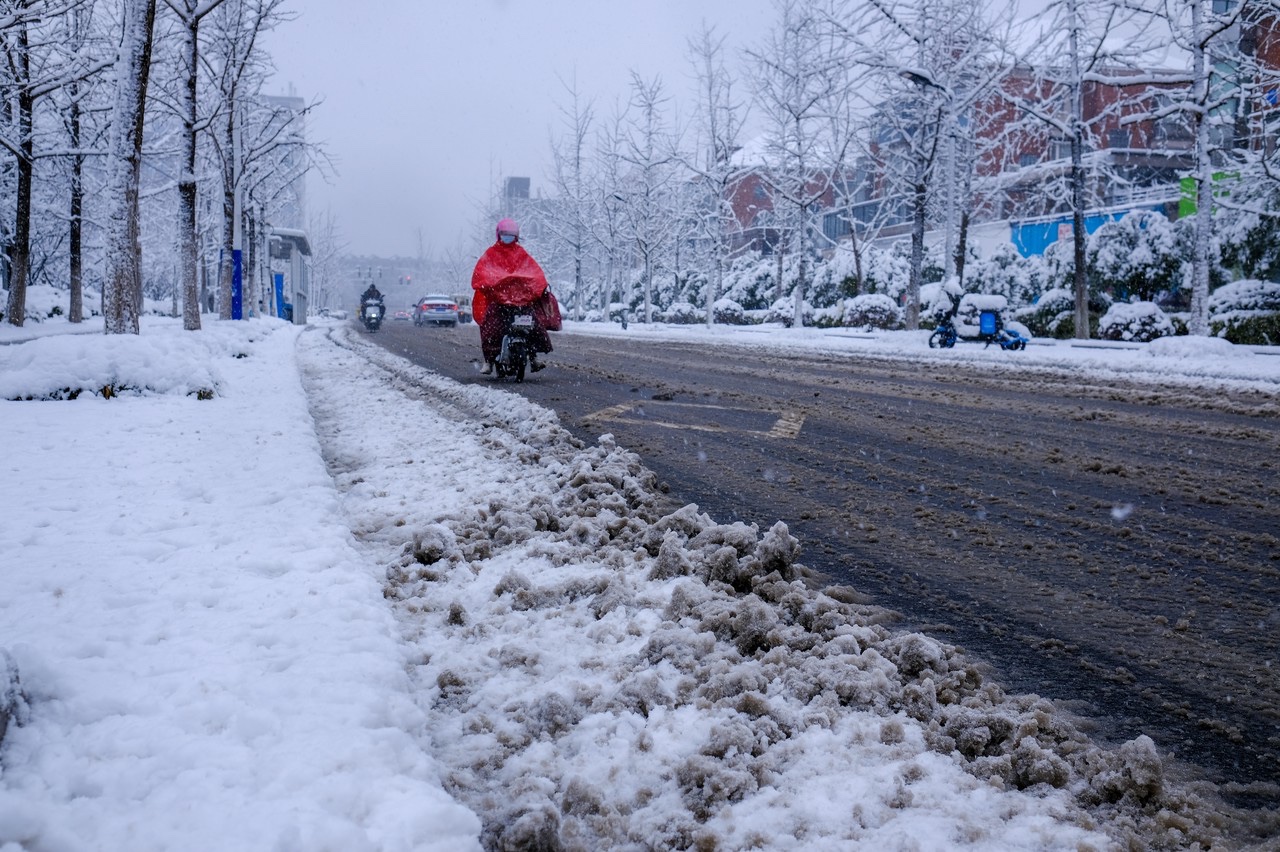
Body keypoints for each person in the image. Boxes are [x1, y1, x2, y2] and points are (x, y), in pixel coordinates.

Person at [470, 218, 560, 374]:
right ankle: (489, 361)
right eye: (505, 235)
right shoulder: (491, 253)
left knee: (534, 325)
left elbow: (533, 272)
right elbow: (483, 272)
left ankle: (533, 357)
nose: (508, 238)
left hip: (521, 301)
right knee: (490, 327)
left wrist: (539, 284)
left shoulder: (521, 253)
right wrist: (492, 285)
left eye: (511, 236)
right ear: (499, 235)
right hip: (500, 301)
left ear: (516, 236)